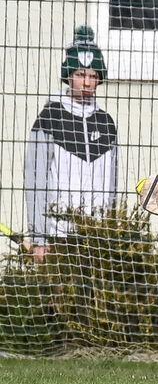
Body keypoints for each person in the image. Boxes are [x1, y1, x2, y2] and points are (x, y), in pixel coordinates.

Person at [24, 25, 118, 264]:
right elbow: (35, 180)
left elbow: (113, 184)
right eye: (79, 74)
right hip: (58, 236)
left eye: (92, 76)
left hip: (96, 236)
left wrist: (111, 229)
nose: (86, 82)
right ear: (68, 75)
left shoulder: (106, 123)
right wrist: (39, 238)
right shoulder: (49, 117)